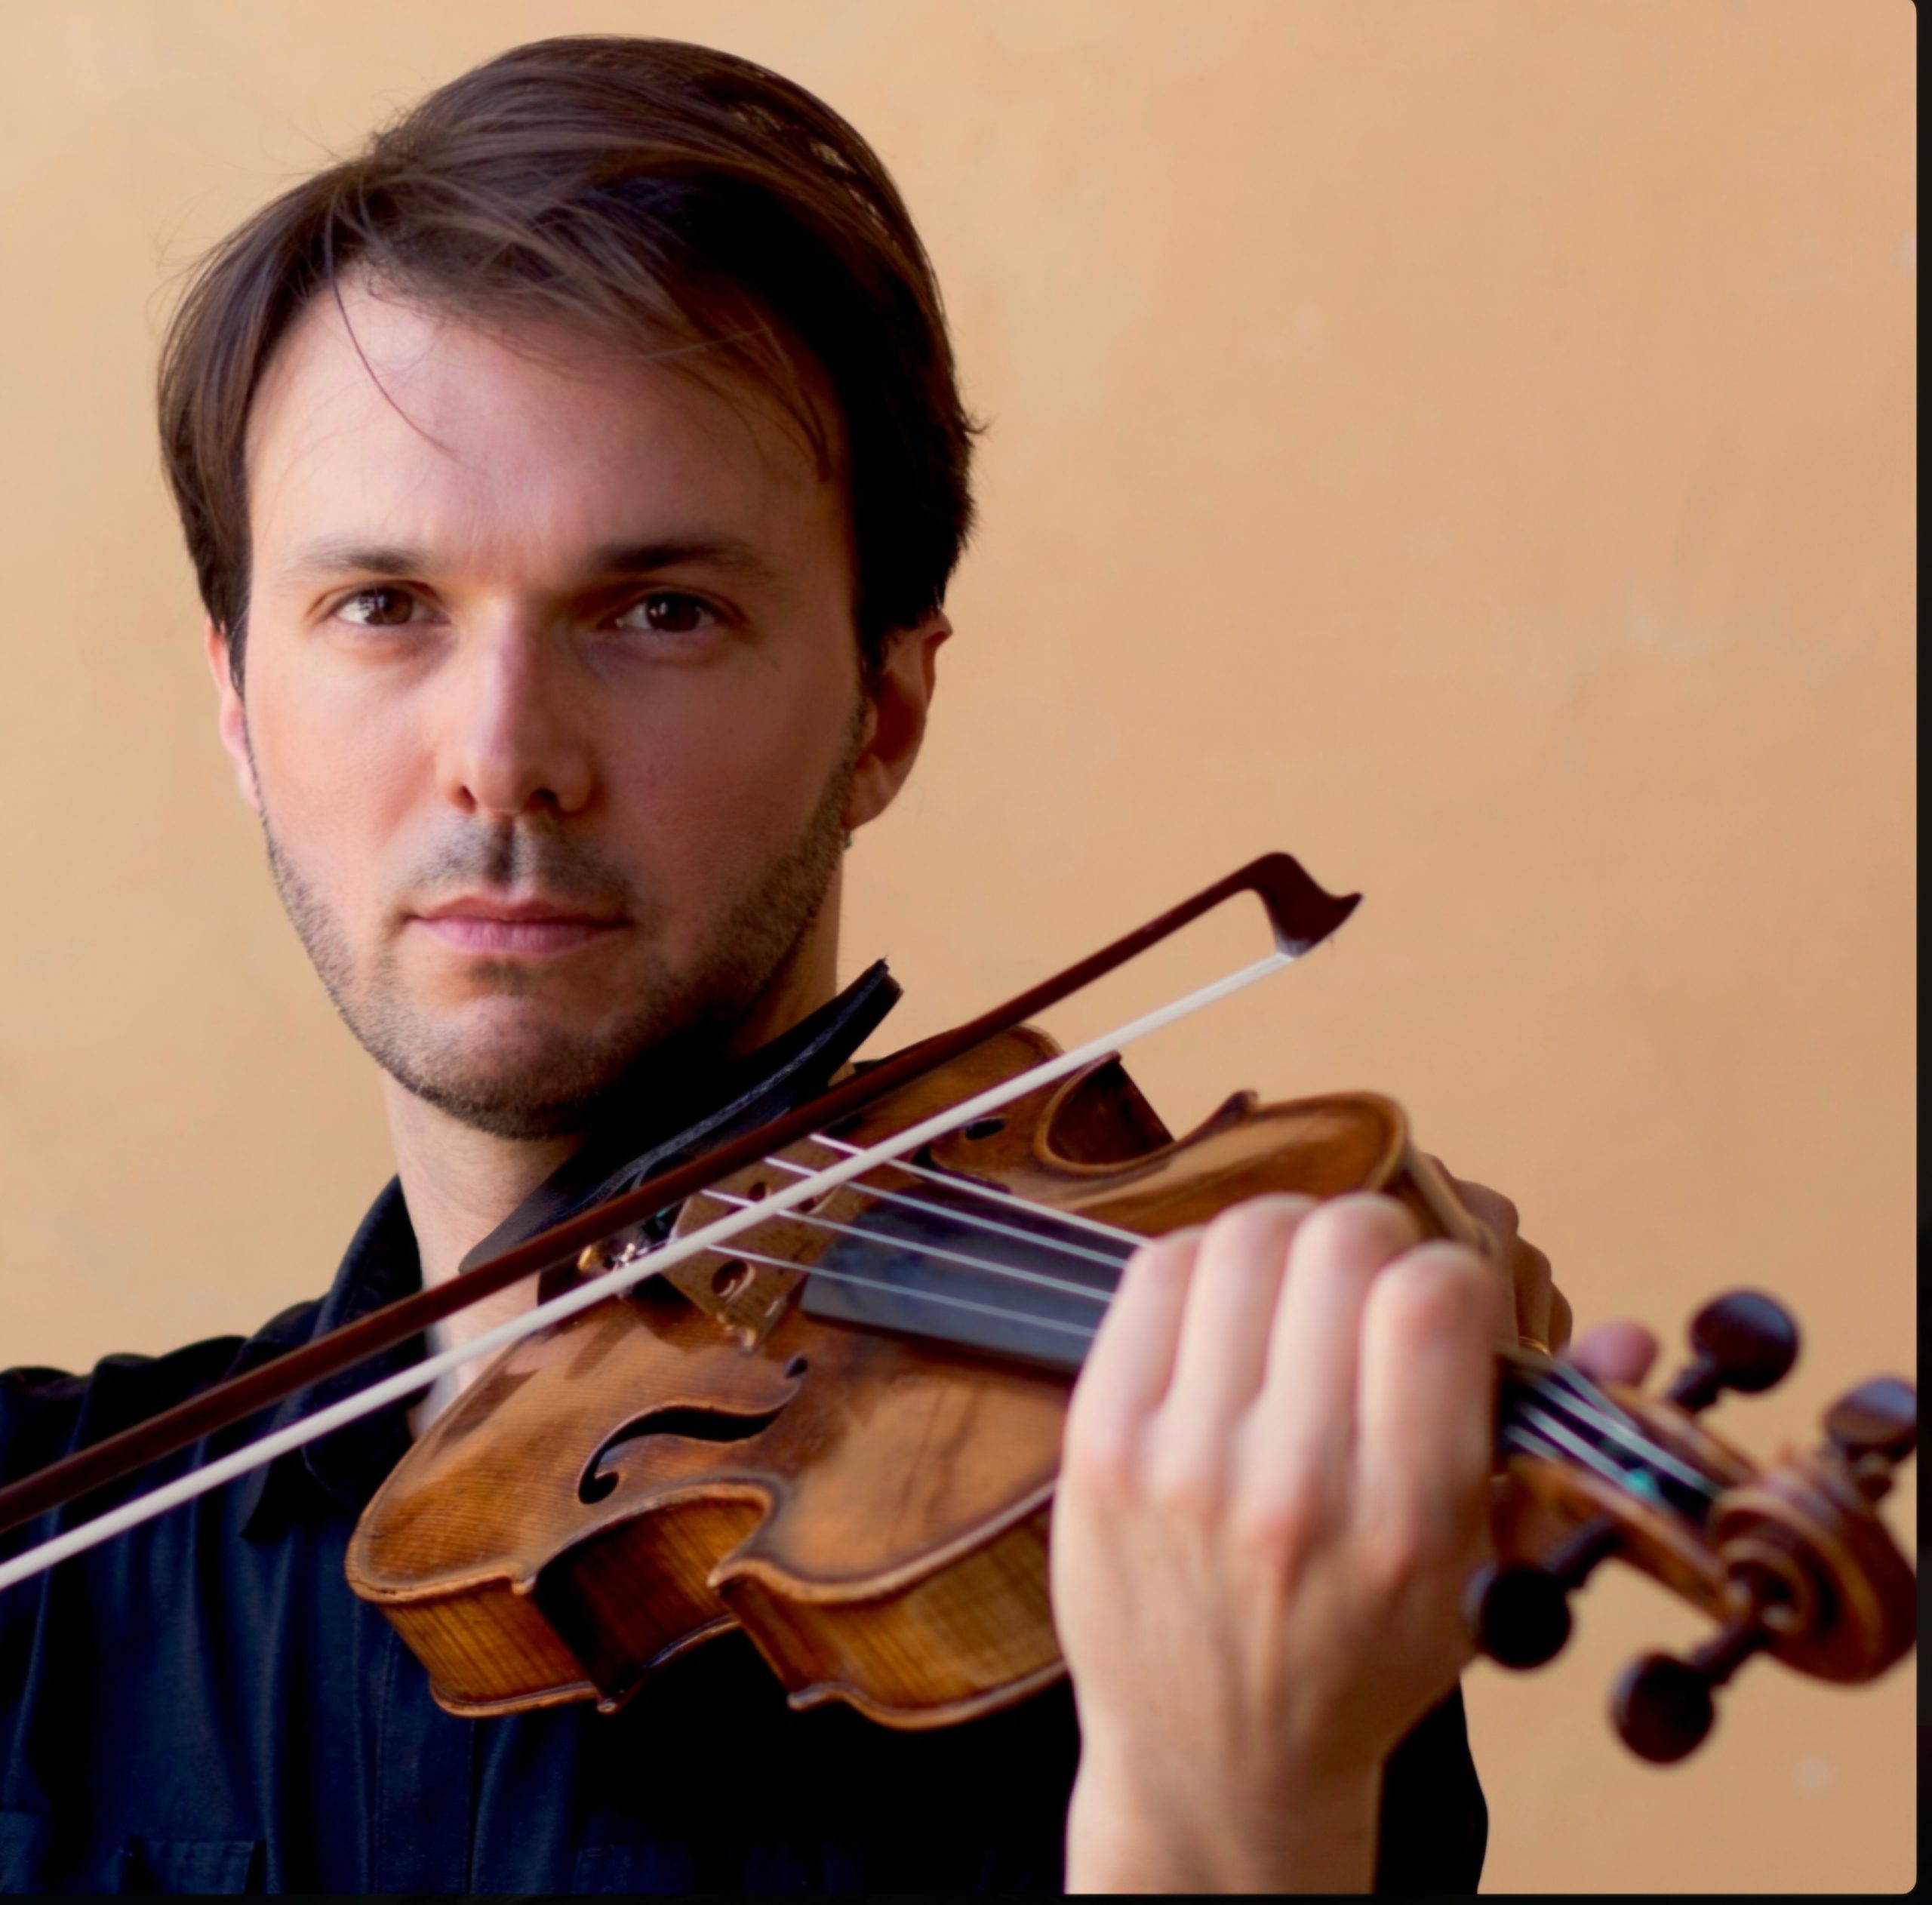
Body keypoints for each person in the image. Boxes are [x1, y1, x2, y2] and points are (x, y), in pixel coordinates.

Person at [0, 35, 1647, 1894]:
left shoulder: (1177, 1558)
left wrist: (1220, 1805)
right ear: (238, 702)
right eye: (382, 605)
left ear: (883, 710)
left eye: (660, 609)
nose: (504, 752)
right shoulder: (52, 1560)